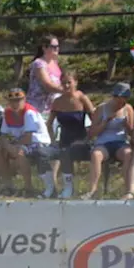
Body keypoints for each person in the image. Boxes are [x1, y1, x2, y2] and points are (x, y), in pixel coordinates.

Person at [0, 87, 55, 197]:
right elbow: (2, 136)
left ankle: (28, 187)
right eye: (12, 101)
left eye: (18, 100)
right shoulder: (7, 113)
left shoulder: (29, 113)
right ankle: (8, 185)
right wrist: (8, 147)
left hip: (38, 143)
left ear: (24, 99)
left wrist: (13, 147)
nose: (15, 103)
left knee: (20, 152)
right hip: (19, 142)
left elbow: (28, 137)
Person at [83, 82, 134, 199]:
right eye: (121, 98)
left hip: (120, 142)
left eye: (126, 98)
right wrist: (105, 122)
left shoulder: (128, 109)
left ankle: (128, 190)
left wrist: (127, 125)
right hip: (103, 142)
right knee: (96, 155)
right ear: (115, 96)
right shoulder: (102, 108)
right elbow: (92, 133)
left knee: (129, 154)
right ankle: (93, 190)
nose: (122, 102)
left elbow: (132, 132)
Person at [48, 69, 94, 198]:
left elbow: (95, 118)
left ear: (76, 83)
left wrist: (90, 137)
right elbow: (49, 123)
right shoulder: (57, 102)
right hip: (64, 138)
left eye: (69, 82)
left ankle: (69, 188)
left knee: (66, 152)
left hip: (81, 139)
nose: (66, 86)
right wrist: (52, 140)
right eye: (63, 83)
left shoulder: (82, 98)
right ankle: (55, 187)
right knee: (47, 153)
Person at [26, 34, 62, 117]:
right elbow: (48, 85)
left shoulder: (55, 62)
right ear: (44, 48)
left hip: (52, 107)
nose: (56, 48)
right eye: (53, 46)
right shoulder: (39, 64)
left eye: (58, 46)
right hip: (38, 108)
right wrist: (66, 90)